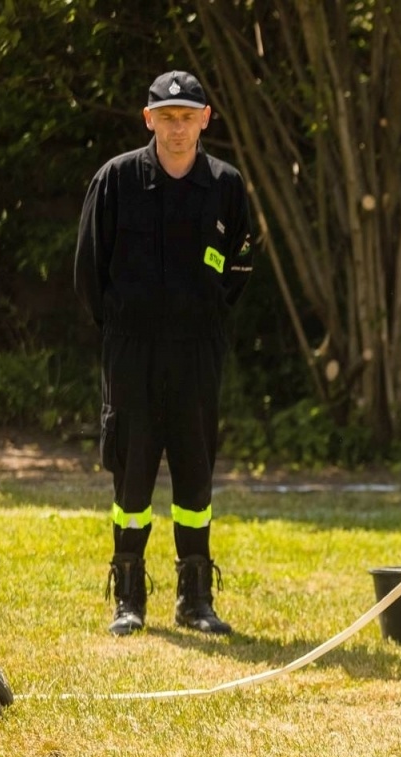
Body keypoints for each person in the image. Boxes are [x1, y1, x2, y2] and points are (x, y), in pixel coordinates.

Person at [75, 70, 253, 637]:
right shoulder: (117, 180)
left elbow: (241, 263)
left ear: (206, 119)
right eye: (167, 117)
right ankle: (129, 597)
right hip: (131, 350)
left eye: (188, 116)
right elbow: (88, 270)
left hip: (197, 352)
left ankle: (194, 600)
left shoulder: (226, 184)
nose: (178, 128)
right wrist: (122, 327)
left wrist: (205, 315)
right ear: (148, 118)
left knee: (195, 472)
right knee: (131, 473)